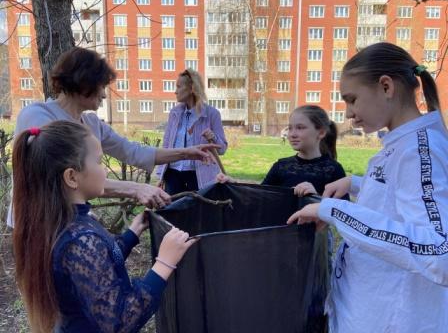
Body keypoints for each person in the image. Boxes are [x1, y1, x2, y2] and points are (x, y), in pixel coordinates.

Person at [287, 42, 448, 332]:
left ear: (386, 86)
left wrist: (335, 211)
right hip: (369, 310)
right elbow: (403, 198)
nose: (348, 113)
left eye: (352, 99)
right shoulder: (403, 144)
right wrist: (357, 184)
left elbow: (438, 251)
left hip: (391, 319)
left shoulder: (419, 151)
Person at [12, 121, 196, 332]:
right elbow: (120, 321)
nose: (105, 172)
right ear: (72, 177)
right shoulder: (78, 239)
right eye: (99, 162)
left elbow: (103, 261)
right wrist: (164, 263)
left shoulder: (70, 221)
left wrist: (133, 232)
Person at [6, 47, 219, 228]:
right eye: (102, 86)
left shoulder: (90, 123)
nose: (105, 95)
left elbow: (132, 151)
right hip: (38, 224)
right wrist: (135, 188)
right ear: (84, 83)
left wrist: (187, 153)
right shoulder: (38, 116)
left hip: (68, 223)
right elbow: (68, 179)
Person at [217, 105, 348, 200]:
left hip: (316, 237)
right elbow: (259, 194)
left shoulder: (333, 170)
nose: (292, 134)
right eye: (290, 128)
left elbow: (342, 213)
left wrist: (316, 198)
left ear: (321, 132)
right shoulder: (282, 166)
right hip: (284, 234)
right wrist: (233, 184)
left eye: (300, 128)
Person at [156, 69, 227, 195]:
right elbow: (166, 145)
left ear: (192, 88)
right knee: (174, 211)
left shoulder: (211, 114)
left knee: (196, 212)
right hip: (173, 175)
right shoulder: (175, 113)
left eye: (179, 86)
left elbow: (222, 149)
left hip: (199, 177)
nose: (175, 91)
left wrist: (213, 137)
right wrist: (161, 176)